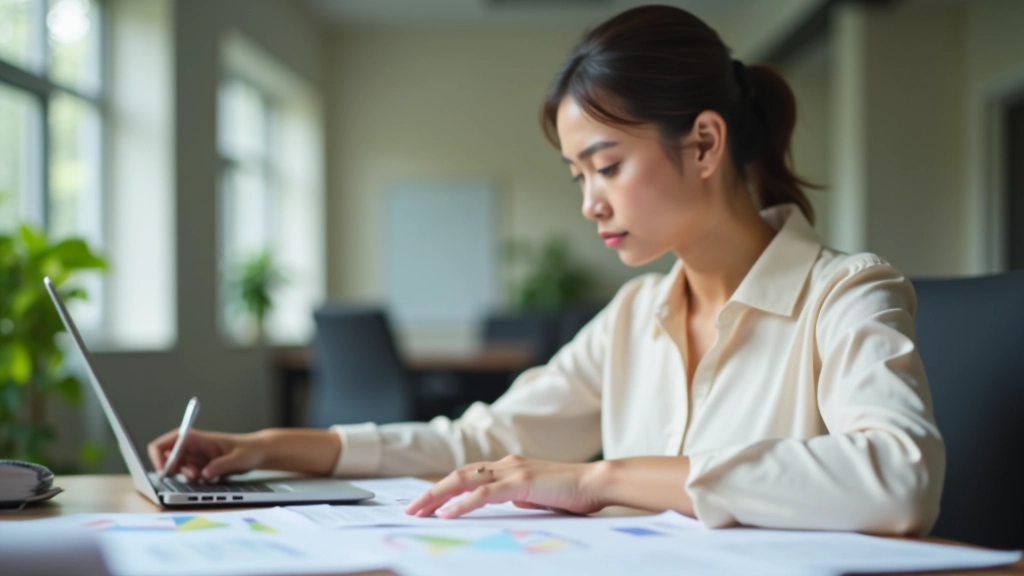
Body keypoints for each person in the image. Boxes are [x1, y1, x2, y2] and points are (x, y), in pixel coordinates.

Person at [148, 5, 944, 534]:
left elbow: (899, 479)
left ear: (703, 144)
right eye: (578, 177)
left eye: (607, 165)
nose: (591, 203)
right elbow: (479, 438)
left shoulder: (845, 292)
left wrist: (603, 478)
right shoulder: (636, 316)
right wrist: (268, 446)